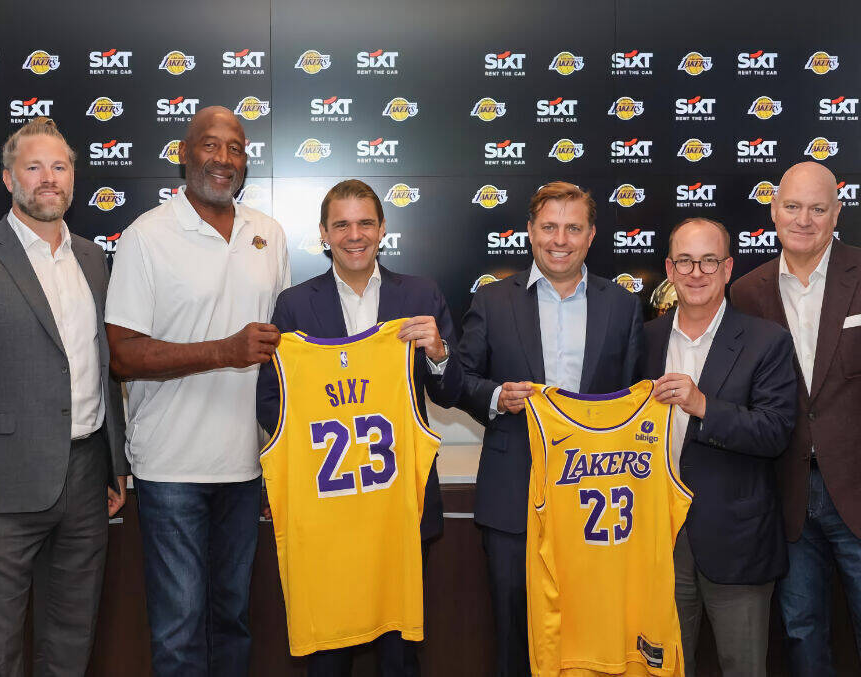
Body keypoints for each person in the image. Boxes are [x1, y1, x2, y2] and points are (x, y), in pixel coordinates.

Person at [0, 117, 129, 675]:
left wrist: (114, 465)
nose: (49, 178)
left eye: (59, 167)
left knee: (70, 646)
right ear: (8, 178)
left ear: (73, 178)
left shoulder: (93, 258)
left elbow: (100, 366)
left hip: (87, 481)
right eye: (34, 167)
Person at [729, 162, 861, 677]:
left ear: (837, 213)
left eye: (817, 208)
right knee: (803, 641)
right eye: (792, 206)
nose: (804, 220)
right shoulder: (746, 293)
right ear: (773, 210)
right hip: (787, 501)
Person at [105, 106, 290, 676]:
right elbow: (123, 354)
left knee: (233, 621)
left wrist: (279, 456)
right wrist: (222, 351)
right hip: (171, 467)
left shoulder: (269, 233)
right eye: (210, 145)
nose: (223, 159)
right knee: (180, 631)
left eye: (235, 148)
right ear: (183, 153)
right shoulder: (146, 236)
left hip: (246, 465)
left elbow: (285, 353)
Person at [256, 179, 462, 676]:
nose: (355, 235)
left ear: (383, 229)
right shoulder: (294, 305)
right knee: (329, 656)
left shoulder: (420, 295)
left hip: (400, 510)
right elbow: (270, 402)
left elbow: (450, 393)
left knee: (399, 654)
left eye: (366, 223)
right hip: (328, 513)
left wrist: (438, 353)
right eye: (342, 225)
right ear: (323, 233)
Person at [456, 181, 644, 676]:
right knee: (515, 637)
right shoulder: (492, 300)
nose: (560, 240)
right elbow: (459, 380)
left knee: (590, 636)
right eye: (549, 227)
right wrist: (497, 397)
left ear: (591, 235)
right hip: (512, 497)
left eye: (573, 228)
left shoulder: (622, 305)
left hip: (596, 502)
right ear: (530, 232)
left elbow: (632, 401)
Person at [643, 218, 796, 677]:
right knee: (667, 669)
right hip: (659, 540)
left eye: (709, 261)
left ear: (728, 268)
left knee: (743, 667)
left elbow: (775, 432)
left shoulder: (766, 340)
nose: (696, 273)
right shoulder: (644, 340)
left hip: (737, 541)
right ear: (669, 269)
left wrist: (703, 406)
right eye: (685, 261)